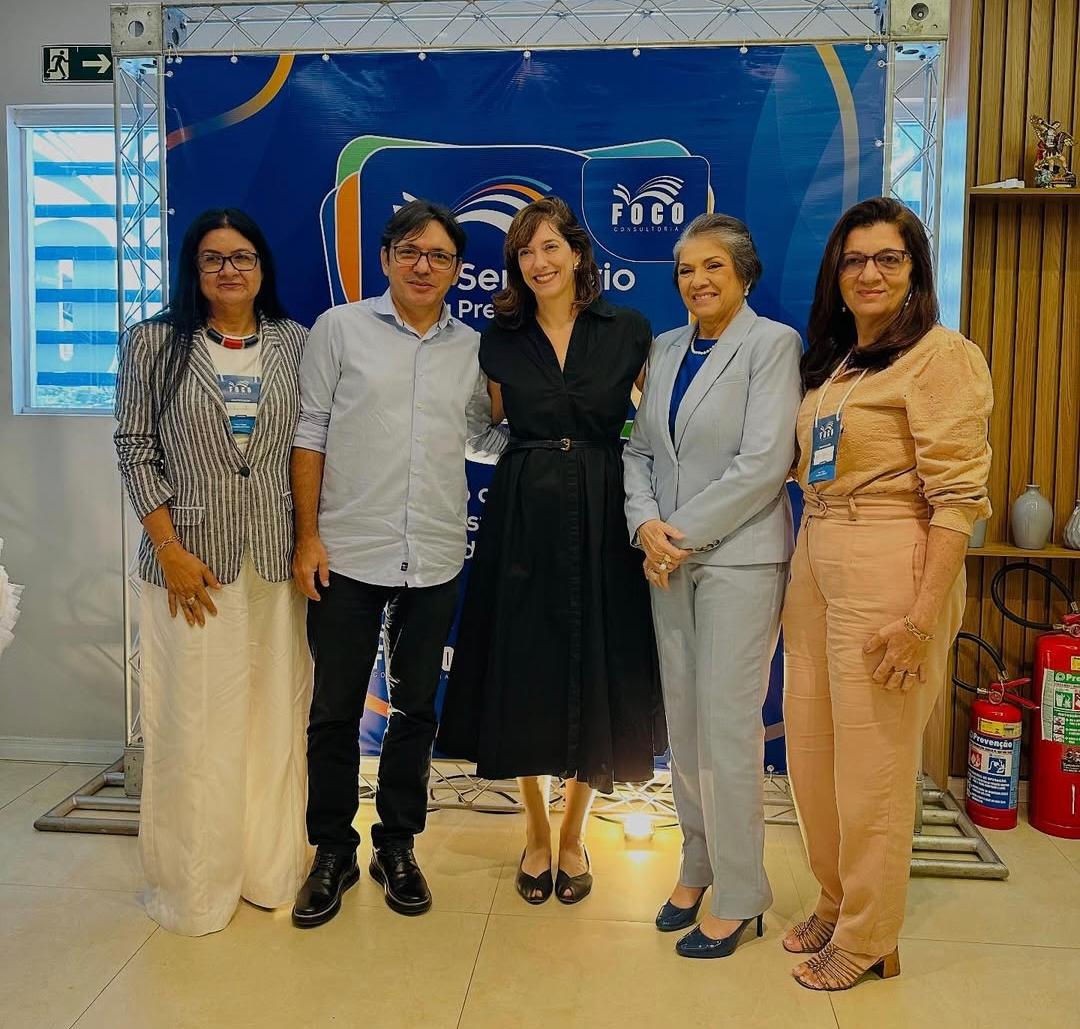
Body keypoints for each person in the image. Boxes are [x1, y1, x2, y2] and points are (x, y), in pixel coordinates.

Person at [783, 196, 992, 990]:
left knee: (873, 760)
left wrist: (920, 617)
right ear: (836, 275)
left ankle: (871, 935)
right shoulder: (840, 362)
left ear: (914, 271)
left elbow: (959, 499)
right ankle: (836, 898)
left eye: (888, 258)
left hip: (892, 555)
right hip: (817, 550)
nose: (869, 273)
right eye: (854, 259)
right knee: (812, 753)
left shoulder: (942, 356)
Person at [438, 196, 664, 906]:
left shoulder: (628, 330)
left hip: (605, 511)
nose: (538, 262)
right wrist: (530, 459)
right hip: (522, 514)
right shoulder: (499, 339)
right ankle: (536, 832)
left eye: (549, 247)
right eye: (524, 252)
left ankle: (574, 835)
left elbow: (660, 429)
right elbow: (478, 430)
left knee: (598, 665)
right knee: (523, 669)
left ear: (577, 252)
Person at [290, 200, 489, 927]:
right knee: (335, 711)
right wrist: (307, 536)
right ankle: (331, 850)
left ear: (457, 269)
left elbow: (482, 439)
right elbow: (310, 431)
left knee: (415, 711)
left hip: (434, 553)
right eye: (410, 251)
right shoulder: (339, 329)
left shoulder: (473, 348)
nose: (423, 266)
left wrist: (548, 426)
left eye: (439, 256)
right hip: (346, 550)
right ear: (385, 258)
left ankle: (397, 845)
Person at [114, 208, 310, 936]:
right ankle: (195, 886)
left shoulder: (296, 342)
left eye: (242, 256)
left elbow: (309, 446)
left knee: (272, 716)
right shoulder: (155, 343)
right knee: (194, 724)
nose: (229, 270)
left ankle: (267, 869)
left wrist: (308, 538)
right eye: (212, 258)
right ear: (193, 270)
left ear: (263, 266)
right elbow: (134, 445)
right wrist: (168, 547)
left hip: (275, 561)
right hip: (189, 566)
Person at [622, 213, 802, 958]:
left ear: (744, 274)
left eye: (712, 267)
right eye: (686, 270)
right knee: (686, 723)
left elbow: (763, 465)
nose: (696, 281)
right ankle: (697, 864)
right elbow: (637, 451)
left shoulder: (772, 345)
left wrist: (676, 536)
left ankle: (741, 892)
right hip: (667, 559)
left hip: (738, 560)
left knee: (727, 727)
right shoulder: (664, 348)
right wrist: (644, 526)